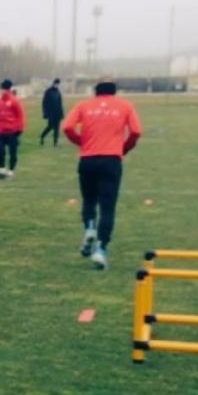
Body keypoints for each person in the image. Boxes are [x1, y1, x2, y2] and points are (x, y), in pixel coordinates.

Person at [62, 77, 142, 270]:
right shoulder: (124, 106)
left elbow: (66, 127)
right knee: (107, 207)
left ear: (95, 91)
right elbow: (136, 131)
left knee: (89, 200)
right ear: (114, 91)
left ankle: (89, 228)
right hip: (111, 161)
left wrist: (80, 141)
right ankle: (101, 249)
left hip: (88, 160)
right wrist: (124, 148)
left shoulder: (84, 105)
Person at [0, 79, 24, 179]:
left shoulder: (14, 101)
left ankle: (11, 171)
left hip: (12, 132)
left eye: (2, 89)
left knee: (12, 152)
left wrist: (19, 129)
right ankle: (1, 171)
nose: (1, 91)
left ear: (7, 89)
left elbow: (20, 116)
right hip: (1, 132)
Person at [40, 78, 64, 146]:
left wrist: (62, 114)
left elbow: (60, 103)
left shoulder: (58, 92)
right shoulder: (48, 91)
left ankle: (55, 143)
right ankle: (42, 136)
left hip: (57, 113)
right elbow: (44, 103)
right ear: (53, 83)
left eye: (58, 84)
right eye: (56, 83)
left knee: (57, 128)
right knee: (50, 127)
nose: (57, 85)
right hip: (51, 113)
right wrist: (45, 113)